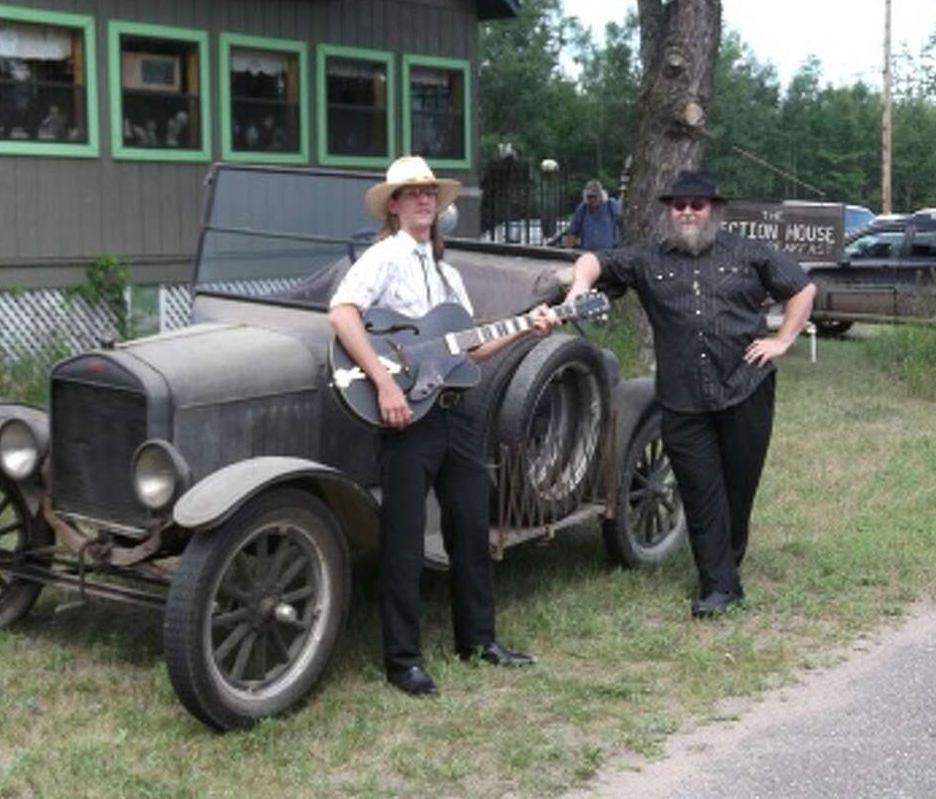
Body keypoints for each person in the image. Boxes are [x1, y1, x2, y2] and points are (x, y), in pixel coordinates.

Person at [328, 155, 552, 697]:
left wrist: (529, 327)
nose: (424, 199)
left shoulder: (449, 274)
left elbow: (469, 350)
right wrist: (384, 384)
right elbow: (342, 313)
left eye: (430, 192)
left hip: (456, 413)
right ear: (395, 206)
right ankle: (402, 660)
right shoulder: (384, 257)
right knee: (404, 539)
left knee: (471, 527)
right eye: (412, 193)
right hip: (408, 417)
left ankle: (479, 641)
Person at [563, 170, 815, 618]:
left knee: (738, 488)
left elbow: (801, 287)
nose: (687, 212)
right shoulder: (647, 259)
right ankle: (718, 587)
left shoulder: (747, 251)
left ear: (713, 210)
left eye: (697, 205)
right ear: (670, 212)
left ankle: (727, 564)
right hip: (682, 396)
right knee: (700, 490)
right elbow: (593, 261)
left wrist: (782, 340)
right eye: (679, 206)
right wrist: (580, 288)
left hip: (745, 387)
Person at [559, 179, 623, 250]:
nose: (592, 199)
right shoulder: (582, 209)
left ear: (600, 195)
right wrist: (568, 250)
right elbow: (573, 232)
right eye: (589, 197)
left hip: (609, 253)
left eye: (594, 196)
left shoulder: (611, 206)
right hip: (587, 253)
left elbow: (623, 224)